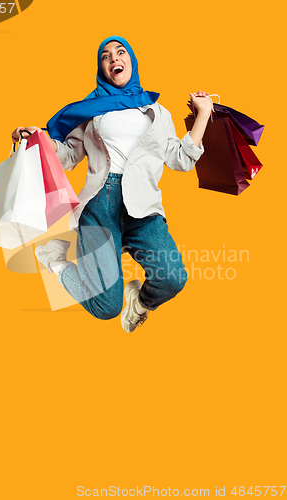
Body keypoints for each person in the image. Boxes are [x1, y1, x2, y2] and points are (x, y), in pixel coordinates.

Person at [12, 36, 212, 333]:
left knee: (172, 278)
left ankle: (140, 303)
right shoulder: (92, 111)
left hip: (143, 209)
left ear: (131, 60)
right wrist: (38, 140)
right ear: (102, 67)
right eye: (105, 56)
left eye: (120, 52)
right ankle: (56, 263)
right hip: (100, 207)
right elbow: (68, 155)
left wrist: (204, 114)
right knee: (106, 308)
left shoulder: (158, 112)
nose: (113, 58)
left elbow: (181, 159)